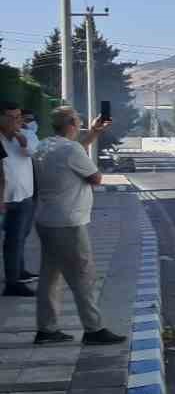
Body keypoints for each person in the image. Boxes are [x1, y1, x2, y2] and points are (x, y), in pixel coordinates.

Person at [32, 105, 124, 346]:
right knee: (83, 276)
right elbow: (95, 178)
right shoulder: (71, 149)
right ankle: (93, 329)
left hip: (46, 219)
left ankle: (46, 329)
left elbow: (74, 153)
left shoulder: (45, 145)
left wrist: (94, 132)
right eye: (79, 121)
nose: (81, 124)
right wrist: (90, 139)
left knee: (50, 277)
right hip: (68, 222)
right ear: (71, 123)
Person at [2, 100, 38, 296]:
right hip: (3, 200)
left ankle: (13, 281)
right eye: (10, 118)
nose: (15, 122)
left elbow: (35, 153)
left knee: (16, 241)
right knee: (11, 242)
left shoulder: (28, 135)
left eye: (18, 117)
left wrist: (23, 143)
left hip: (23, 198)